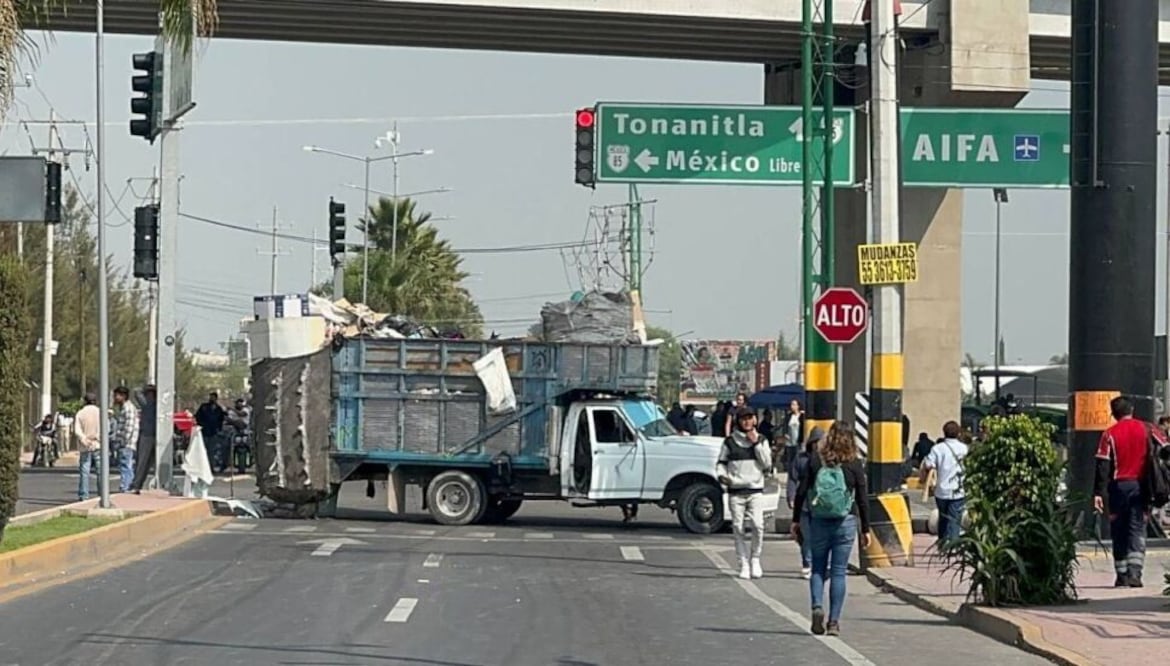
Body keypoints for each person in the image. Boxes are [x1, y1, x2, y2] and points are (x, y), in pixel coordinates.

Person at [791, 422, 871, 637]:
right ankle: (834, 622)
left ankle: (817, 606)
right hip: (845, 521)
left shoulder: (817, 460)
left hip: (818, 520)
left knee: (817, 567)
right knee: (838, 572)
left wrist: (796, 519)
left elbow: (802, 490)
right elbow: (863, 499)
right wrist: (866, 529)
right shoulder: (854, 463)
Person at [1093, 396, 1165, 587]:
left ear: (1113, 414)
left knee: (1118, 530)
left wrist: (1098, 494)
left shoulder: (1108, 434)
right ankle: (1135, 574)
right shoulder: (1148, 428)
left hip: (1117, 488)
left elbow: (1102, 466)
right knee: (1137, 528)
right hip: (1140, 487)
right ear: (1131, 410)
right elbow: (1165, 446)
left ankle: (1121, 574)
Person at [717, 406, 773, 580]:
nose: (747, 421)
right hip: (736, 491)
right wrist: (723, 476)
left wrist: (755, 443)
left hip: (755, 490)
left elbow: (767, 464)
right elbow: (721, 463)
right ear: (738, 421)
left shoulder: (762, 440)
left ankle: (755, 558)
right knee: (737, 528)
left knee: (758, 525)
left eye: (750, 418)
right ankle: (743, 563)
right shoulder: (730, 442)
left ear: (755, 420)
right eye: (744, 418)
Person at [920, 421, 969, 545]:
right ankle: (952, 545)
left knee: (943, 517)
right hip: (958, 489)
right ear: (958, 433)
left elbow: (928, 464)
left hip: (941, 490)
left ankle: (942, 542)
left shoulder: (937, 448)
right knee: (954, 519)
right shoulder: (964, 448)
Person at [787, 425, 825, 579]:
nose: (817, 445)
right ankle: (807, 563)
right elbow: (792, 478)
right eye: (815, 441)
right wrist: (791, 495)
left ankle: (818, 563)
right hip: (804, 504)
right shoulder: (801, 458)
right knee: (806, 537)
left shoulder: (826, 459)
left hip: (822, 505)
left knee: (820, 537)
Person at [110, 386, 141, 493]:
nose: (115, 398)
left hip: (127, 443)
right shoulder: (125, 408)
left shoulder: (128, 408)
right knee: (127, 465)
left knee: (125, 465)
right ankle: (130, 485)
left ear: (123, 396)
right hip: (126, 442)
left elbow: (129, 427)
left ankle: (125, 487)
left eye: (116, 396)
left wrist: (123, 442)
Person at [129, 385, 158, 493]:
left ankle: (137, 484)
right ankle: (137, 484)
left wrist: (147, 388)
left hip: (150, 435)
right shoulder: (148, 404)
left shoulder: (150, 404)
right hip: (148, 434)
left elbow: (137, 391)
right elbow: (136, 391)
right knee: (143, 462)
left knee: (145, 462)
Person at [73, 394, 102, 501]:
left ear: (85, 401)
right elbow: (105, 428)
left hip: (85, 445)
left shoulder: (80, 413)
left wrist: (84, 440)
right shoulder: (100, 412)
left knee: (85, 471)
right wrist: (97, 439)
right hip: (98, 444)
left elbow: (77, 430)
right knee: (100, 471)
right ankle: (102, 493)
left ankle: (84, 495)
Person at [196, 391, 227, 473]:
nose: (211, 399)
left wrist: (218, 429)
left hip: (213, 432)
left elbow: (221, 419)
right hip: (204, 431)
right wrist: (201, 425)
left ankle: (211, 467)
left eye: (213, 397)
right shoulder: (204, 407)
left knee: (212, 451)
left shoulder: (218, 409)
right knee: (203, 450)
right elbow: (198, 417)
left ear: (216, 398)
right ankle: (201, 468)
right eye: (210, 397)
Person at [781, 399, 806, 472]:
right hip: (790, 441)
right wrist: (785, 433)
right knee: (790, 459)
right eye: (791, 404)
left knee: (798, 457)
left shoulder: (802, 416)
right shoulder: (789, 416)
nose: (792, 406)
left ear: (798, 406)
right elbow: (785, 426)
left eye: (794, 404)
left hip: (799, 441)